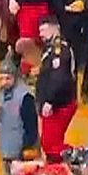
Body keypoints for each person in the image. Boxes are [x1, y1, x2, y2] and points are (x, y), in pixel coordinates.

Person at [0, 57, 39, 175]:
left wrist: (26, 149)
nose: (4, 82)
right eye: (1, 79)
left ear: (15, 78)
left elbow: (31, 127)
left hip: (22, 152)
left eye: (8, 78)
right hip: (6, 150)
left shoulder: (25, 97)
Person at [35, 15, 78, 160]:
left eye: (43, 30)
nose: (41, 34)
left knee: (51, 144)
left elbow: (59, 77)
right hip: (55, 103)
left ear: (55, 28)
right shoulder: (50, 49)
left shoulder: (59, 50)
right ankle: (56, 169)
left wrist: (50, 101)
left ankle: (78, 158)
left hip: (59, 104)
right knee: (49, 143)